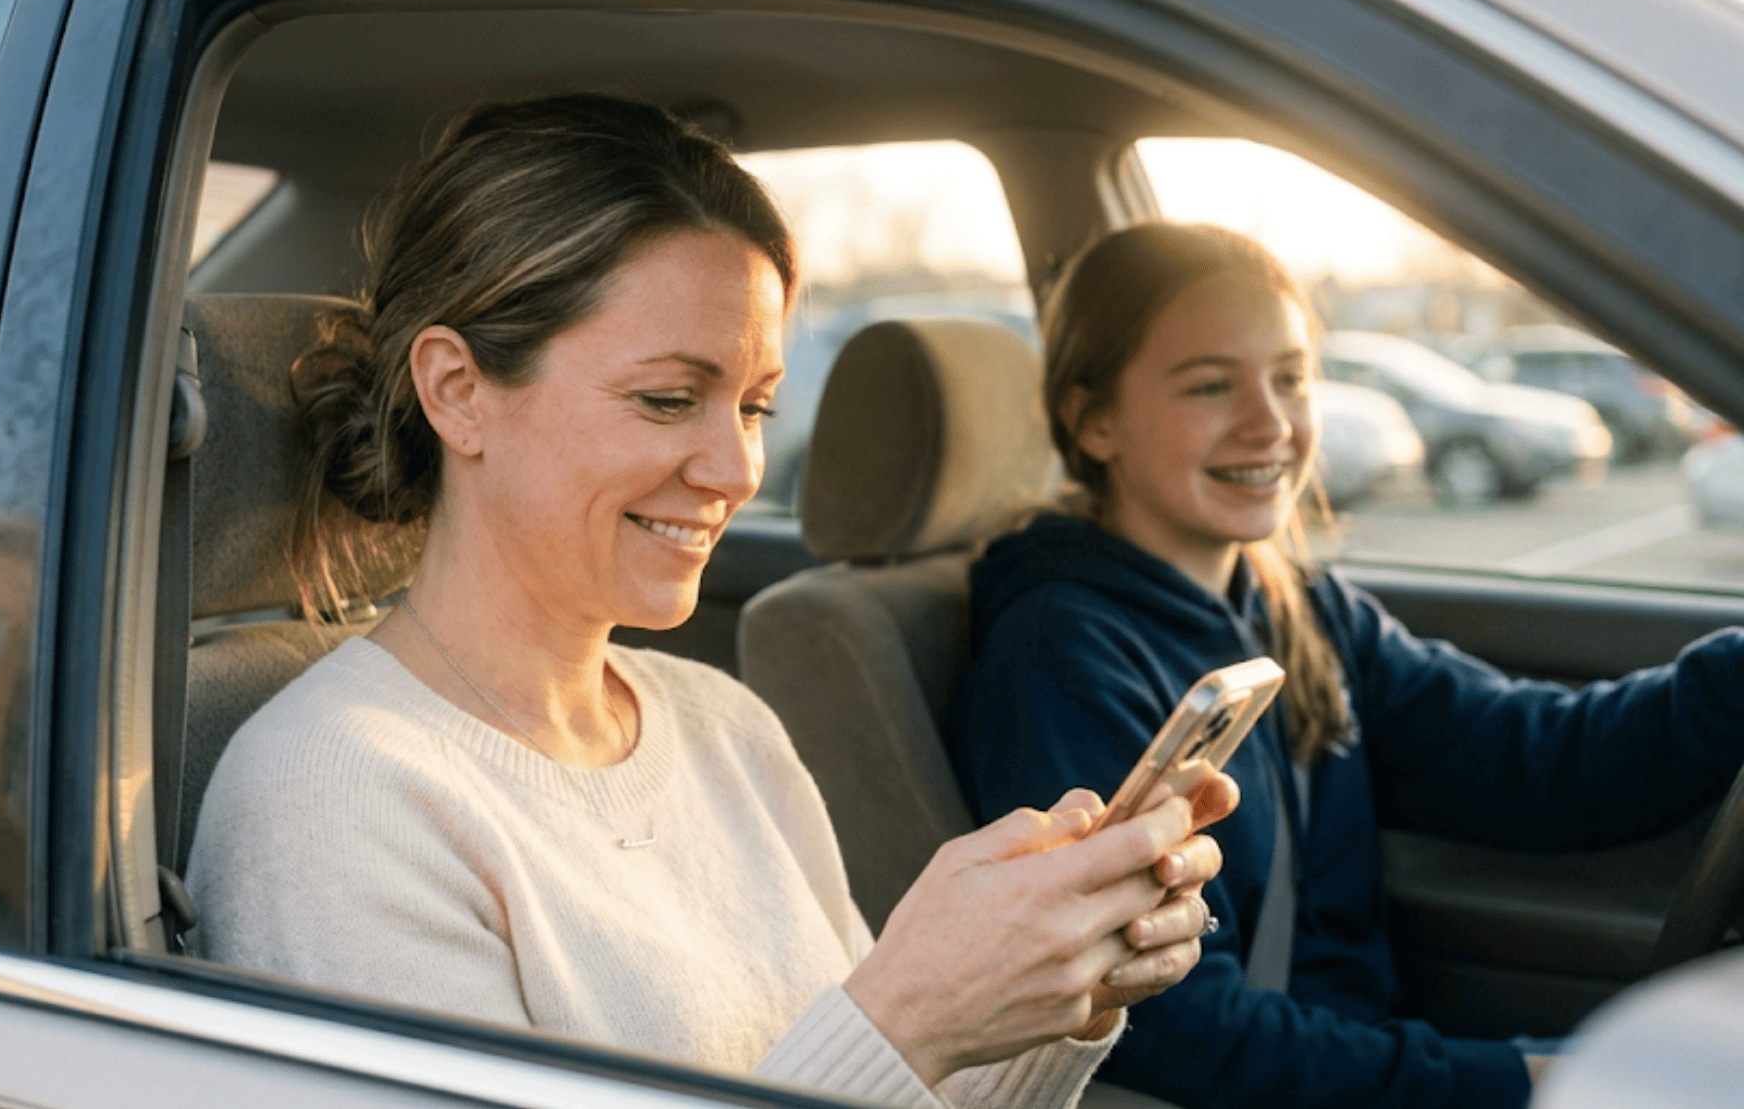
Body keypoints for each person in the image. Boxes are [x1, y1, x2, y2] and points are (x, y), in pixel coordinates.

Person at [188, 96, 1240, 1109]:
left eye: (753, 406)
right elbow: (878, 1051)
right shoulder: (329, 796)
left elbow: (886, 1085)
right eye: (666, 400)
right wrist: (908, 1015)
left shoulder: (722, 725)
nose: (736, 469)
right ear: (458, 391)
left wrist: (1051, 998)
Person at [942, 220, 1744, 1109]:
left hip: (1359, 1064)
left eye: (1291, 376)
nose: (1272, 421)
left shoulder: (1298, 606)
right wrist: (1514, 1078)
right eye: (1212, 385)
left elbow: (1539, 759)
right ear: (1095, 421)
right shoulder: (1063, 655)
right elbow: (1181, 1031)